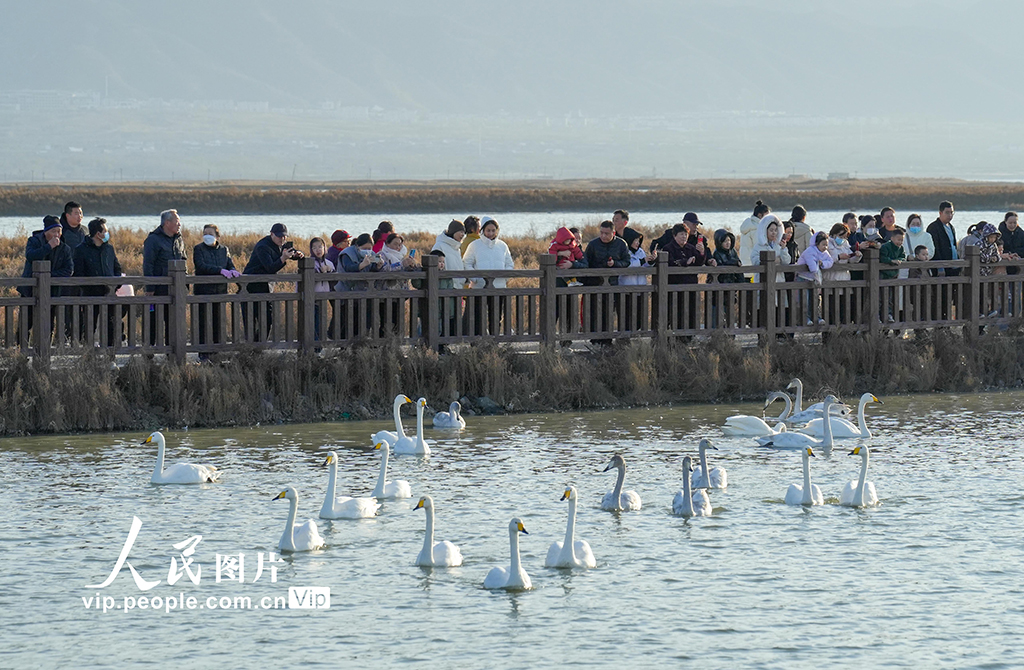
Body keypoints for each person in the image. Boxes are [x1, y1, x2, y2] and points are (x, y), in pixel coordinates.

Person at [242, 222, 303, 341]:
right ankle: (250, 349)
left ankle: (258, 348)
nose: (282, 239)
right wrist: (283, 258)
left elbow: (289, 252)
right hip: (250, 287)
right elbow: (270, 267)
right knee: (251, 321)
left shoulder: (282, 244)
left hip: (266, 288)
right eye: (279, 236)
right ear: (271, 234)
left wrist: (298, 255)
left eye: (284, 236)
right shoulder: (262, 247)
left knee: (267, 321)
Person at [18, 215, 75, 343]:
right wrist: (48, 247)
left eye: (59, 231)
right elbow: (31, 256)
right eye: (53, 231)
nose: (57, 234)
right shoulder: (34, 241)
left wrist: (48, 277)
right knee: (25, 323)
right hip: (29, 290)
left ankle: (45, 352)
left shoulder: (65, 248)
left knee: (47, 323)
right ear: (46, 232)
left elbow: (69, 270)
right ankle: (21, 352)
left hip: (52, 291)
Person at [74, 217, 124, 346]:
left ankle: (110, 356)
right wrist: (89, 287)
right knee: (89, 326)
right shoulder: (81, 249)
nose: (107, 234)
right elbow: (78, 273)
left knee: (111, 325)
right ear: (98, 234)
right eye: (105, 231)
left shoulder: (109, 249)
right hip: (90, 295)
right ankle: (88, 356)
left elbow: (117, 268)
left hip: (110, 294)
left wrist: (115, 285)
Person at [663, 214, 717, 333]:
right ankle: (674, 336)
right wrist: (684, 262)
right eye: (681, 234)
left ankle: (689, 336)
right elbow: (670, 263)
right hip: (674, 286)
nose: (684, 237)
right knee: (676, 312)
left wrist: (702, 253)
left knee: (691, 310)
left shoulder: (691, 247)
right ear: (675, 235)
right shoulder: (668, 248)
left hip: (691, 284)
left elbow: (699, 262)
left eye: (685, 235)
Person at [463, 216, 515, 336]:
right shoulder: (475, 245)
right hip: (479, 287)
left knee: (496, 317)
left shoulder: (502, 246)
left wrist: (504, 277)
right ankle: (477, 343)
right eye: (488, 230)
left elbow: (509, 263)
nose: (491, 233)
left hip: (498, 287)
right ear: (482, 230)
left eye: (493, 230)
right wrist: (474, 278)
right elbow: (467, 262)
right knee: (478, 317)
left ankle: (494, 342)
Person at [193, 224, 238, 357]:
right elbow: (201, 266)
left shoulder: (224, 250)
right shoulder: (198, 249)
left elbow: (229, 263)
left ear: (217, 236)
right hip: (203, 291)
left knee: (218, 321)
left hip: (220, 291)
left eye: (210, 233)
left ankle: (217, 352)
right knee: (204, 321)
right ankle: (204, 352)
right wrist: (219, 270)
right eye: (205, 233)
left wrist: (233, 270)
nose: (207, 235)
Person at [143, 209, 186, 346]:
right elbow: (148, 264)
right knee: (153, 320)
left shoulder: (178, 239)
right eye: (177, 221)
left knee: (172, 321)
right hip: (158, 288)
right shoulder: (153, 240)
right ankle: (149, 353)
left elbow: (183, 260)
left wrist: (185, 284)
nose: (179, 225)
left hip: (175, 288)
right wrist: (150, 287)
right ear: (167, 223)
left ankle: (171, 353)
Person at [582, 220, 630, 343]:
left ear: (613, 233)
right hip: (594, 283)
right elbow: (586, 262)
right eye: (601, 233)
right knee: (593, 312)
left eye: (607, 233)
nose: (603, 236)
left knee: (608, 312)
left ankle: (607, 341)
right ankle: (595, 340)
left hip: (613, 284)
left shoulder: (621, 244)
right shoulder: (593, 244)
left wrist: (615, 264)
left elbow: (627, 262)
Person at [337, 233, 384, 336]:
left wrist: (378, 266)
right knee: (349, 321)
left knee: (365, 320)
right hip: (347, 291)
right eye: (365, 248)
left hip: (364, 291)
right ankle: (344, 346)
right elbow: (348, 267)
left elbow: (371, 269)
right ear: (358, 246)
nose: (367, 250)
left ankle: (361, 343)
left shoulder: (371, 254)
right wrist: (362, 265)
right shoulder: (347, 253)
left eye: (369, 248)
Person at [549, 226, 588, 341]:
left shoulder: (579, 252)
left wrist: (572, 265)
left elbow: (585, 265)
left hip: (572, 289)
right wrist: (561, 253)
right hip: (556, 286)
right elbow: (550, 260)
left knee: (569, 315)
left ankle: (566, 342)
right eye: (575, 238)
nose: (577, 241)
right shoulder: (557, 247)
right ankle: (549, 343)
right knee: (553, 314)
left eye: (579, 239)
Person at [927, 201, 959, 320]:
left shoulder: (951, 227)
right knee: (941, 298)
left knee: (951, 297)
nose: (950, 215)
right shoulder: (933, 227)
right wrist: (940, 267)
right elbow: (934, 249)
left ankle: (949, 324)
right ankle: (940, 326)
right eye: (947, 212)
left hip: (953, 266)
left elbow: (953, 246)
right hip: (941, 268)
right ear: (940, 213)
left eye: (952, 213)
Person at [795, 232, 834, 325]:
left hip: (814, 279)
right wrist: (816, 266)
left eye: (826, 245)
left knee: (816, 299)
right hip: (803, 278)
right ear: (817, 244)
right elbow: (812, 266)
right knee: (805, 299)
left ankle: (817, 317)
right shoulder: (810, 251)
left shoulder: (824, 253)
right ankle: (806, 318)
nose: (825, 247)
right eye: (823, 245)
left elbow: (830, 261)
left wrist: (822, 264)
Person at [826, 223, 860, 323]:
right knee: (831, 311)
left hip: (845, 280)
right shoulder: (828, 244)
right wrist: (839, 257)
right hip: (831, 281)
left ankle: (843, 335)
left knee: (844, 311)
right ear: (834, 234)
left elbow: (850, 259)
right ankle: (829, 336)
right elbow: (827, 259)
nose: (843, 238)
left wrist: (857, 256)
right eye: (841, 236)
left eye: (845, 236)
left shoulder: (845, 244)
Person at [618, 227, 650, 333]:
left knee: (639, 318)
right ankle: (625, 340)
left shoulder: (641, 252)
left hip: (640, 289)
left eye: (638, 240)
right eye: (635, 240)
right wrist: (641, 261)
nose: (637, 243)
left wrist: (652, 261)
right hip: (626, 290)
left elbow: (646, 266)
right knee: (626, 318)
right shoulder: (623, 252)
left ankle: (636, 338)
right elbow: (626, 266)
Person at [712, 228, 743, 329]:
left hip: (731, 286)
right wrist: (733, 263)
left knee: (730, 311)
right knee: (719, 312)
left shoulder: (732, 252)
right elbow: (722, 265)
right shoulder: (717, 253)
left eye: (729, 240)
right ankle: (718, 334)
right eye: (725, 241)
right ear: (719, 242)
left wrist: (741, 282)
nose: (727, 243)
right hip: (720, 287)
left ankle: (730, 335)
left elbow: (738, 265)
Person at [309, 237, 335, 341]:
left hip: (324, 298)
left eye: (320, 246)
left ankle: (319, 346)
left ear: (325, 248)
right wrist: (319, 271)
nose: (318, 250)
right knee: (313, 323)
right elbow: (308, 279)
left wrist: (330, 272)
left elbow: (335, 280)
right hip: (312, 298)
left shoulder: (329, 263)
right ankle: (315, 348)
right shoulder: (310, 263)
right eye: (314, 248)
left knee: (321, 322)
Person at [879, 227, 906, 323]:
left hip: (893, 276)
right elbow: (882, 258)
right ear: (892, 238)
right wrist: (891, 261)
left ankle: (888, 315)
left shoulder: (901, 248)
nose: (900, 242)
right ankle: (878, 316)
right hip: (882, 276)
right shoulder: (885, 247)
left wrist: (900, 260)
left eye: (902, 240)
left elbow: (903, 257)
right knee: (879, 298)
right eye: (898, 240)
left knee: (890, 298)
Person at [432, 219, 467, 286]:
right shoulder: (440, 246)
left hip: (458, 288)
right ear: (453, 232)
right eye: (461, 232)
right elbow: (434, 266)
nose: (463, 235)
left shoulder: (457, 248)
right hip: (445, 287)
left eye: (464, 232)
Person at [739, 200, 771, 269]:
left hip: (745, 264)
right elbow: (760, 249)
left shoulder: (749, 225)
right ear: (760, 215)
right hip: (753, 266)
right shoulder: (757, 228)